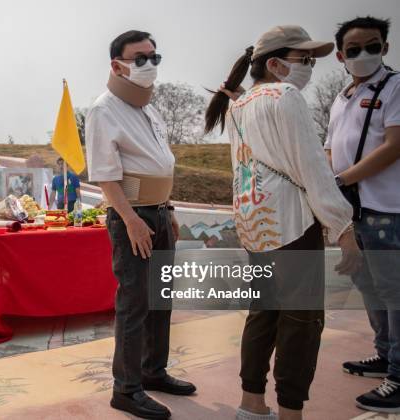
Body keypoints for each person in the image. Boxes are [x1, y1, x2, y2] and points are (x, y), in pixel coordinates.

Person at [205, 25, 361, 420]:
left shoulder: (239, 105)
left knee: (264, 312)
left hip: (256, 223)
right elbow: (312, 169)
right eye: (304, 59)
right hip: (291, 224)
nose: (310, 67)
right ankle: (291, 412)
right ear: (275, 64)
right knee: (302, 321)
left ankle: (251, 404)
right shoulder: (285, 95)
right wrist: (343, 227)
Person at [86, 30, 195, 420]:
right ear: (117, 65)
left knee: (160, 299)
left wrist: (170, 209)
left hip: (159, 211)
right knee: (135, 303)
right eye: (140, 58)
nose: (149, 65)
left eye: (154, 57)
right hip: (133, 216)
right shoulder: (104, 110)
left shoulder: (148, 108)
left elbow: (158, 164)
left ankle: (153, 370)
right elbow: (106, 175)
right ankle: (126, 389)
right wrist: (130, 219)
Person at [324, 16, 400, 413]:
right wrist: (325, 185)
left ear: (385, 47)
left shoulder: (395, 87)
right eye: (353, 50)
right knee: (369, 287)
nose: (363, 54)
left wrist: (342, 180)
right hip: (352, 211)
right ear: (341, 56)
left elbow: (394, 145)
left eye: (372, 46)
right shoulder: (343, 97)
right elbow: (330, 147)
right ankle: (385, 355)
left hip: (386, 207)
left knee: (394, 291)